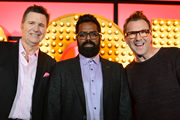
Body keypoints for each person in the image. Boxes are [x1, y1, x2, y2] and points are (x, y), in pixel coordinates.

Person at [44, 14, 132, 120]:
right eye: (83, 34)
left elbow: (125, 111)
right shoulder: (60, 70)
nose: (88, 38)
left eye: (93, 34)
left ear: (100, 37)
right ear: (77, 38)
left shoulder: (117, 70)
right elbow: (52, 110)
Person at [0, 5, 56, 120]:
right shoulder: (2, 50)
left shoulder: (51, 64)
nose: (36, 29)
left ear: (46, 30)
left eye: (41, 25)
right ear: (22, 26)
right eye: (31, 23)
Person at [123, 11, 180, 120]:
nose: (138, 38)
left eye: (143, 32)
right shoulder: (127, 72)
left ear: (151, 35)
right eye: (132, 33)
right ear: (125, 39)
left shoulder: (174, 56)